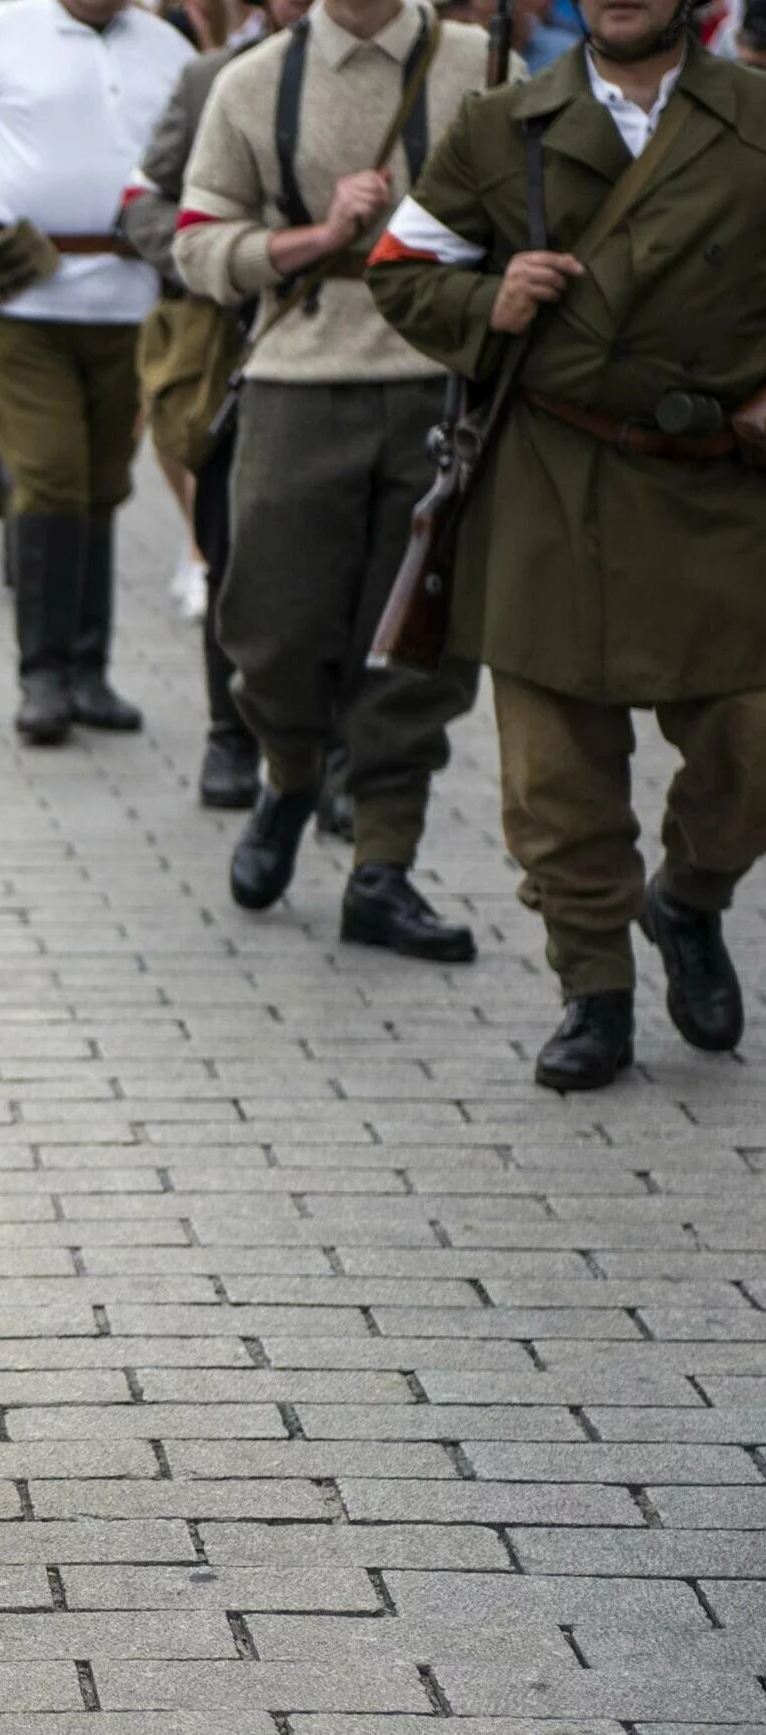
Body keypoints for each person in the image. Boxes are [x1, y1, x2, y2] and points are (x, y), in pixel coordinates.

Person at [368, 0, 766, 1087]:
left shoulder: (756, 117)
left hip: (722, 486)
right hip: (555, 479)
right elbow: (400, 266)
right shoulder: (504, 123)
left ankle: (687, 901)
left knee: (751, 745)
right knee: (560, 773)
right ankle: (594, 987)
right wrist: (489, 300)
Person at [174, 0, 489, 958]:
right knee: (268, 627)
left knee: (417, 639)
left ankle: (381, 868)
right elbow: (194, 242)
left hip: (440, 382)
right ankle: (290, 772)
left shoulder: (483, 63)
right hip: (296, 381)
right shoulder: (253, 79)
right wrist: (304, 244)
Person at [0, 0, 191, 739]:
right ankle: (44, 674)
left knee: (100, 483)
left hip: (129, 301)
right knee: (51, 471)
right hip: (15, 301)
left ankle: (87, 671)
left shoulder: (167, 48)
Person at [120, 0, 315, 813]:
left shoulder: (421, 74)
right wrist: (217, 260)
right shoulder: (211, 80)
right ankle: (230, 734)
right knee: (227, 544)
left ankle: (332, 754)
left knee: (342, 564)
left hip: (362, 352)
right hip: (234, 347)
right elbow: (143, 202)